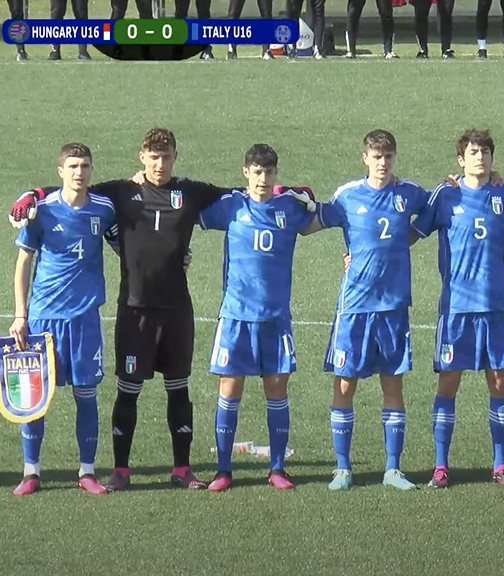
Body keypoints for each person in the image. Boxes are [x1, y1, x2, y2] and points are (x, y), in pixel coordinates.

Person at [7, 128, 312, 490]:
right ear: (142, 157)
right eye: (154, 157)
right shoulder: (121, 192)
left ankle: (182, 469)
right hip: (134, 309)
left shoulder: (190, 192)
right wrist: (35, 193)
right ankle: (119, 470)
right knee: (127, 391)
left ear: (175, 158)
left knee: (178, 390)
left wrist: (283, 191)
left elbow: (244, 194)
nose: (160, 164)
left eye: (166, 157)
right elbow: (76, 190)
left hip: (176, 309)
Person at [411, 129, 504, 488]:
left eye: (485, 152)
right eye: (473, 152)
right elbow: (412, 233)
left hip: (495, 307)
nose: (480, 158)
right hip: (456, 308)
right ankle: (441, 466)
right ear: (461, 160)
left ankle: (501, 465)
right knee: (448, 383)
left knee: (499, 383)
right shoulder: (445, 194)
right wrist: (365, 251)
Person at [311, 130, 429, 491]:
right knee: (345, 384)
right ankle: (342, 468)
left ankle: (393, 469)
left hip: (393, 306)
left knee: (393, 384)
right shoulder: (347, 196)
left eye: (388, 156)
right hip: (355, 307)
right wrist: (288, 196)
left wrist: (406, 239)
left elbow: (440, 206)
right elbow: (308, 225)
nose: (383, 163)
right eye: (377, 157)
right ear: (365, 158)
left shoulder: (409, 193)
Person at [199, 144, 318, 492]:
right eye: (256, 171)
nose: (262, 178)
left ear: (275, 174)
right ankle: (223, 470)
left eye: (268, 172)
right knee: (229, 388)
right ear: (245, 173)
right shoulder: (230, 206)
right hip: (236, 316)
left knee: (277, 388)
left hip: (275, 318)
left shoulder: (289, 208)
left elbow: (330, 217)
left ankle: (277, 468)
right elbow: (187, 214)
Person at [7, 143, 117, 496]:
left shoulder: (104, 210)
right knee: (34, 398)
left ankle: (87, 471)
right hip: (43, 320)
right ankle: (31, 472)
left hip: (85, 320)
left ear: (92, 169)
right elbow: (23, 263)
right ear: (60, 171)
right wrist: (20, 315)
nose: (78, 172)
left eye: (84, 166)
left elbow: (128, 247)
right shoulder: (41, 211)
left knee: (86, 396)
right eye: (72, 166)